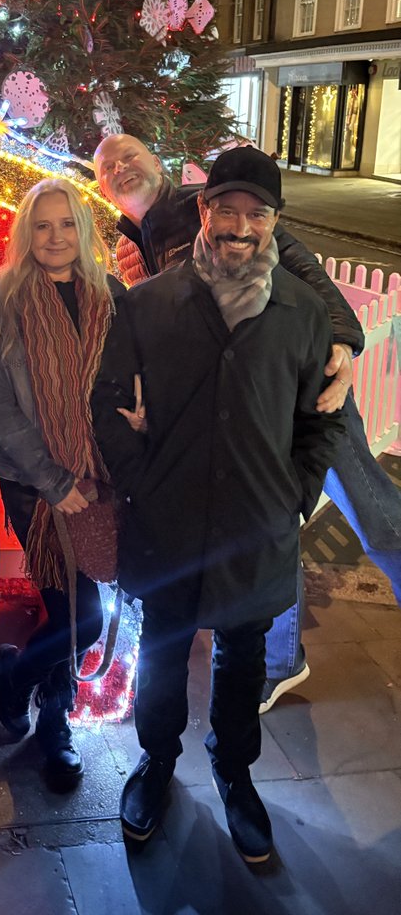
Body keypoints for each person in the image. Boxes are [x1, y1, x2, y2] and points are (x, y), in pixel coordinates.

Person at [92, 146, 346, 863]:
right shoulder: (147, 305)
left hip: (255, 527)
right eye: (224, 210)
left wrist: (292, 497)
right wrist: (140, 479)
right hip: (166, 522)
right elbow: (105, 404)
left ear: (273, 223)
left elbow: (321, 419)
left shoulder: (300, 315)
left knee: (239, 660)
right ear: (202, 212)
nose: (237, 226)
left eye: (254, 214)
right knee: (163, 654)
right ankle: (156, 762)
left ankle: (234, 774)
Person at [93, 132, 400, 712]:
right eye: (108, 165)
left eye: (132, 154)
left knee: (373, 512)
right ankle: (281, 662)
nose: (123, 167)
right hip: (239, 409)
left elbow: (301, 267)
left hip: (304, 394)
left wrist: (342, 342)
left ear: (160, 162)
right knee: (268, 530)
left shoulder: (206, 204)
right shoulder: (136, 235)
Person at [0, 179, 123, 787]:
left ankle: (25, 680)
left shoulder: (110, 295)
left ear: (83, 232)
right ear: (25, 232)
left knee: (76, 606)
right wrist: (55, 480)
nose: (55, 237)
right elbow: (1, 408)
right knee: (78, 611)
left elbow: (125, 381)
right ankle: (53, 716)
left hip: (101, 476)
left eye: (67, 225)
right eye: (43, 225)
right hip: (34, 480)